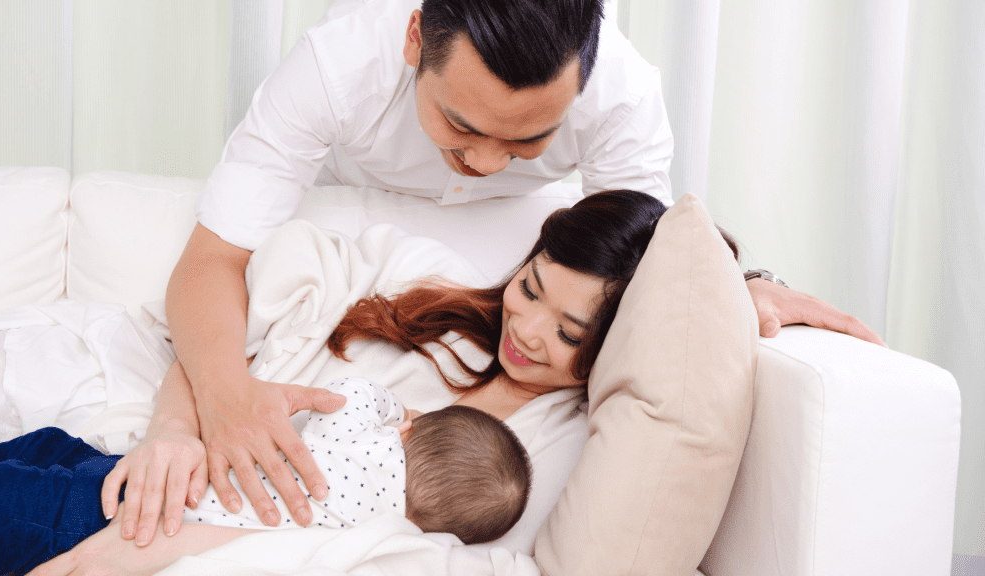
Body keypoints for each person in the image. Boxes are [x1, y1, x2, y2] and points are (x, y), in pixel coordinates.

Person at [163, 0, 885, 544]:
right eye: (462, 125)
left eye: (526, 138)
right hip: (359, 208)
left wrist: (737, 286)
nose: (483, 162)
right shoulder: (335, 66)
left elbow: (643, 253)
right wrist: (210, 408)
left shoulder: (621, 95)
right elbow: (214, 258)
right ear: (415, 41)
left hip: (526, 240)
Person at [30, 190, 688, 575]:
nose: (529, 331)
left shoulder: (550, 458)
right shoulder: (423, 288)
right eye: (531, 287)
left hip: (177, 532)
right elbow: (211, 334)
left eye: (570, 334)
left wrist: (175, 549)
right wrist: (174, 429)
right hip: (138, 450)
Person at [0, 378, 532, 576]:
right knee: (17, 478)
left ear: (411, 432)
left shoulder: (369, 442)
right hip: (128, 498)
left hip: (122, 510)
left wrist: (396, 410)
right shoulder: (377, 532)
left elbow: (352, 392)